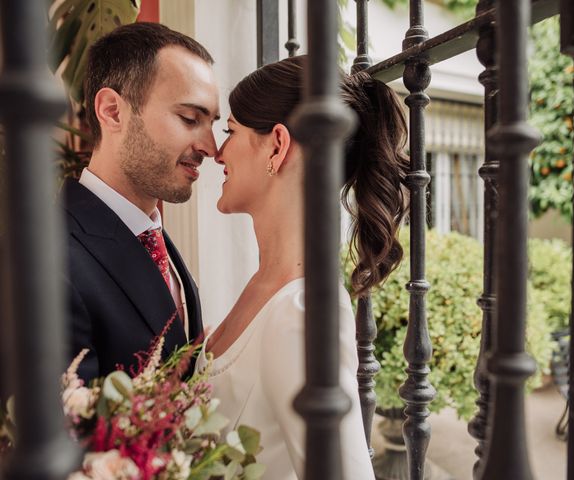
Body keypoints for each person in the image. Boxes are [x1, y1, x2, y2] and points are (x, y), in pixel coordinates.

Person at [207, 56, 410, 479]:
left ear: (277, 146)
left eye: (230, 132)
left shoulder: (300, 314)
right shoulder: (268, 285)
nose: (216, 152)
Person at [62, 23, 220, 383]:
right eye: (190, 119)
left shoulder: (155, 242)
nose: (210, 148)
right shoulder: (46, 258)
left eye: (212, 124)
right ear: (113, 111)